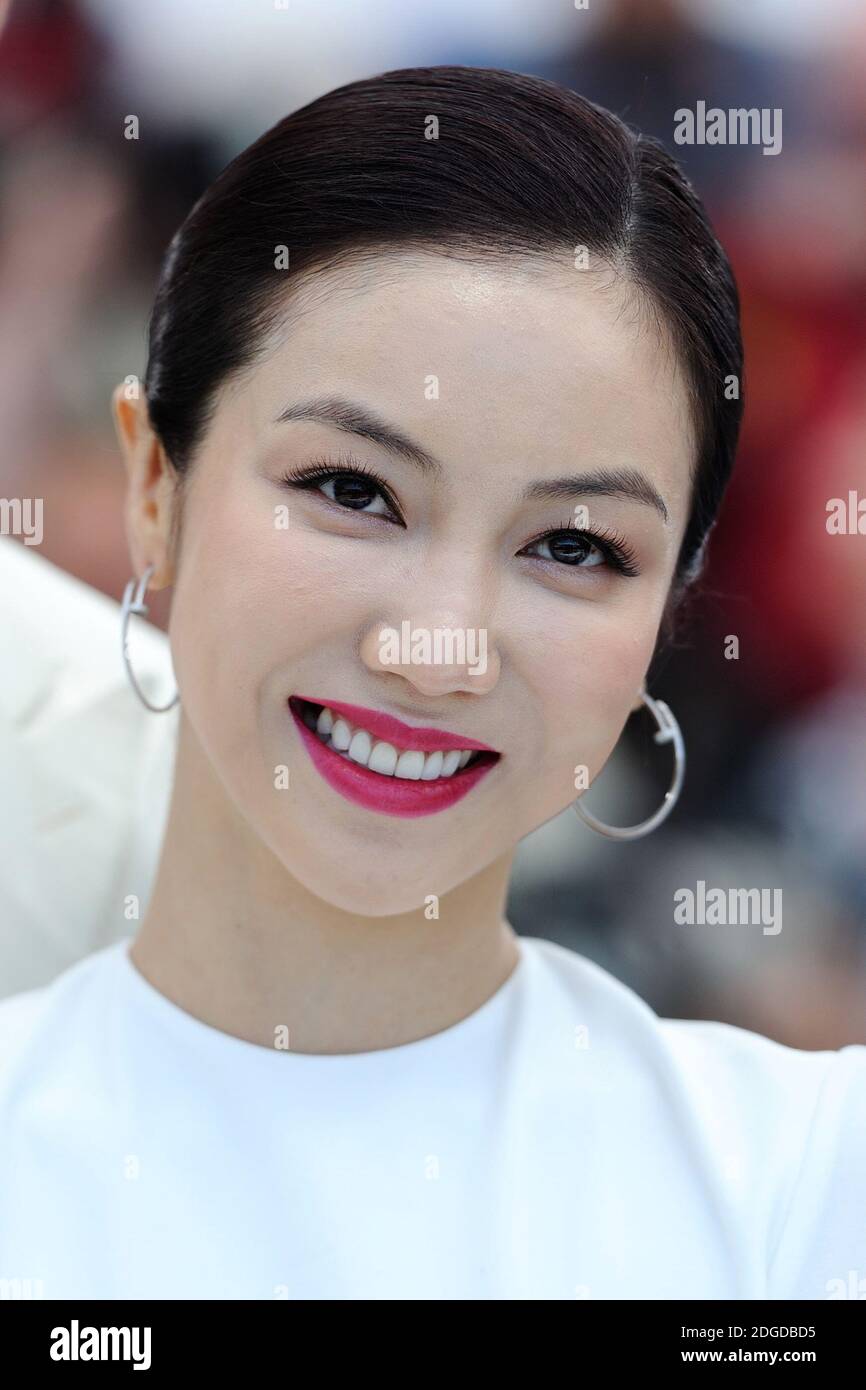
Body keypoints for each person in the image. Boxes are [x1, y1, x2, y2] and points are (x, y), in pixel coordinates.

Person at [1, 65, 863, 1301]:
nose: (440, 646)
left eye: (572, 547)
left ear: (666, 608)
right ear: (156, 490)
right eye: (352, 491)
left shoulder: (799, 1187)